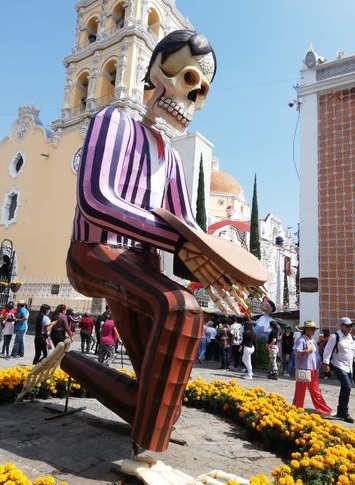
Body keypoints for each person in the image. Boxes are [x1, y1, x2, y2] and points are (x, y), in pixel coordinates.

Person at [61, 30, 265, 453]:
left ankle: (69, 360)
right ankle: (148, 458)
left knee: (160, 399)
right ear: (154, 71)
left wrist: (216, 268)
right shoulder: (112, 121)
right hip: (94, 254)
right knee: (180, 309)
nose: (188, 98)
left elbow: (185, 226)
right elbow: (97, 200)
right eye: (184, 78)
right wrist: (179, 245)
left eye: (201, 91)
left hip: (141, 267)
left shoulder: (170, 158)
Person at [292, 320, 332, 416]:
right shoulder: (301, 340)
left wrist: (322, 364)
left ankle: (323, 410)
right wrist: (306, 351)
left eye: (313, 329)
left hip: (313, 369)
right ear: (305, 330)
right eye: (310, 329)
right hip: (304, 369)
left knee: (316, 391)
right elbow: (296, 352)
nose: (312, 331)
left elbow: (317, 355)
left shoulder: (313, 341)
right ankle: (296, 409)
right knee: (300, 391)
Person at [322, 317, 355, 423]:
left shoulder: (351, 338)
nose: (350, 328)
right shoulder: (335, 336)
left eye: (351, 326)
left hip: (349, 366)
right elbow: (328, 350)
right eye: (348, 326)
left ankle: (341, 411)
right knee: (347, 386)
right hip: (338, 364)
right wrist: (326, 363)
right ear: (341, 326)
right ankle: (344, 412)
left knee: (347, 387)